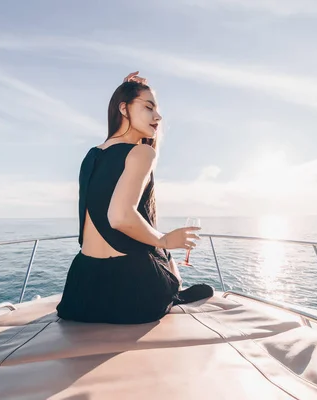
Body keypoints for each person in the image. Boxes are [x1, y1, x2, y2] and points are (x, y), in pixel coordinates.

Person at [56, 71, 214, 324]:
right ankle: (175, 290)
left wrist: (127, 89)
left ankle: (173, 282)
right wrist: (163, 239)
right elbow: (119, 217)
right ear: (124, 108)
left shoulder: (91, 155)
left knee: (158, 250)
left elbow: (99, 207)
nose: (158, 116)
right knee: (165, 253)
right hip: (131, 295)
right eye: (148, 107)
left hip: (80, 292)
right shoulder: (142, 152)